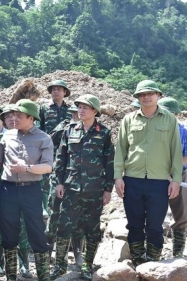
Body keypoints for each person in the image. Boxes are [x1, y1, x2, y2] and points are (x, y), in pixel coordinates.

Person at [114, 80, 182, 265]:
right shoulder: (129, 120)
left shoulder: (169, 119)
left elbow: (176, 150)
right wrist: (118, 176)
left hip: (159, 182)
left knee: (154, 225)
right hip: (132, 180)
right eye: (142, 95)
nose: (146, 97)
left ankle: (152, 263)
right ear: (137, 97)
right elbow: (121, 149)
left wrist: (176, 179)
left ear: (158, 95)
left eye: (150, 93)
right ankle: (137, 262)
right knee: (134, 225)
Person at [51, 95, 114, 280]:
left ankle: (87, 265)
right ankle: (61, 266)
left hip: (94, 189)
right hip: (70, 188)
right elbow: (60, 158)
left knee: (92, 229)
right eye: (79, 107)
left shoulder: (104, 133)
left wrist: (108, 189)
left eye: (86, 107)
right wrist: (58, 182)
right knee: (63, 227)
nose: (81, 110)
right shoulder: (69, 130)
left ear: (95, 111)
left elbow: (109, 162)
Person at [0, 99, 53, 281]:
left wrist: (27, 168)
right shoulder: (7, 136)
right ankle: (11, 277)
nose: (14, 119)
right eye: (13, 115)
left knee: (37, 233)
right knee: (8, 234)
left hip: (32, 190)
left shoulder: (43, 138)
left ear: (31, 118)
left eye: (19, 116)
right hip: (8, 190)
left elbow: (48, 167)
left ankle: (44, 277)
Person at [0, 104, 32, 279]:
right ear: (4, 120)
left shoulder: (29, 137)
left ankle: (24, 264)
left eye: (15, 116)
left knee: (23, 227)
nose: (12, 119)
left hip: (24, 190)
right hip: (3, 189)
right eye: (7, 117)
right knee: (1, 226)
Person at [47, 104, 84, 267]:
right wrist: (65, 124)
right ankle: (48, 254)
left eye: (79, 113)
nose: (77, 116)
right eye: (74, 114)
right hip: (59, 179)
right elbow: (50, 139)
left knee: (78, 220)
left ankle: (77, 255)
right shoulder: (64, 128)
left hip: (78, 182)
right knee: (54, 216)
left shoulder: (91, 131)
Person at [157, 97, 187, 257]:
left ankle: (178, 253)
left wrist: (172, 170)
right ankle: (153, 252)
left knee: (180, 216)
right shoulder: (154, 130)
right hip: (157, 176)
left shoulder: (184, 131)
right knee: (154, 215)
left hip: (179, 176)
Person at [39, 80, 72, 219]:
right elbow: (39, 129)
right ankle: (45, 210)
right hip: (48, 150)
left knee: (64, 179)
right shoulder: (44, 109)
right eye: (53, 89)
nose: (56, 91)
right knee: (46, 181)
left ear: (65, 92)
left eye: (59, 89)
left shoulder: (71, 110)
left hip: (66, 151)